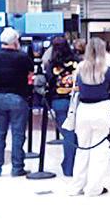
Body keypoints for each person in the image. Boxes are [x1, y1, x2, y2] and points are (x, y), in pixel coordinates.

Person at [68, 37, 110, 197]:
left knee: (82, 149)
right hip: (102, 109)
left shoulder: (80, 68)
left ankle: (76, 187)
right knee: (100, 151)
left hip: (83, 111)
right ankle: (93, 188)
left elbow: (78, 88)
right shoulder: (107, 70)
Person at [0, 27, 34, 177]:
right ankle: (17, 167)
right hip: (17, 97)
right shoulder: (22, 57)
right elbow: (30, 75)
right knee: (18, 134)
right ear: (15, 41)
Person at [46, 38, 80, 177]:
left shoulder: (52, 64)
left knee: (67, 134)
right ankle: (74, 164)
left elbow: (49, 82)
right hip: (76, 100)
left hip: (59, 100)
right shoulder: (77, 61)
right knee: (75, 134)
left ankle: (69, 166)